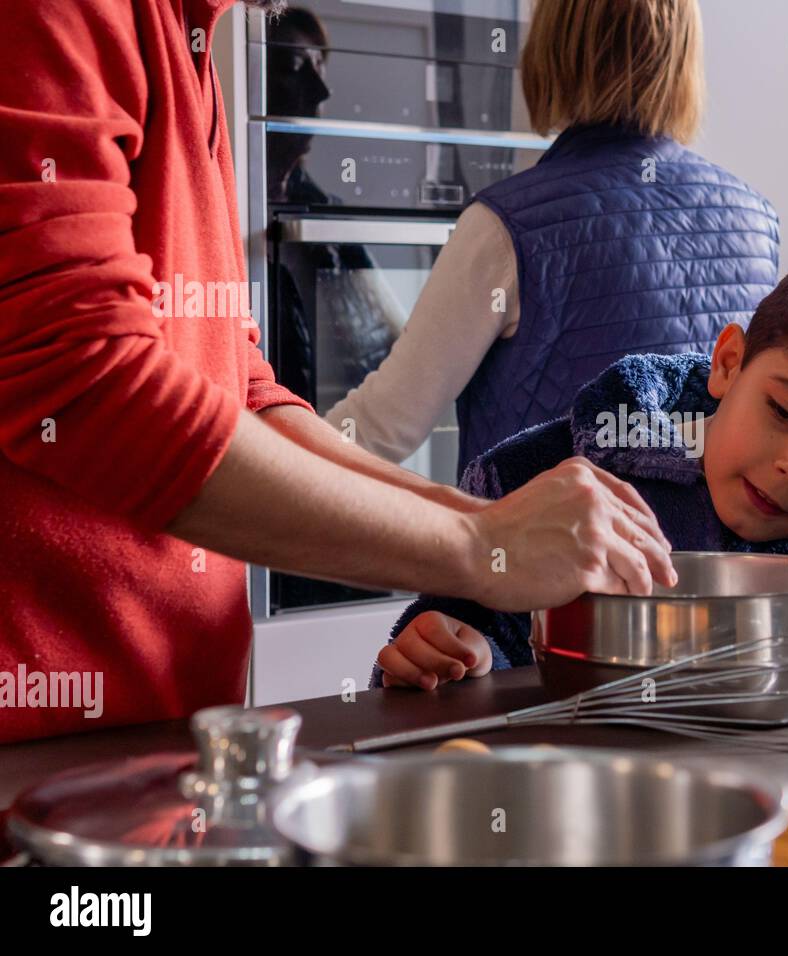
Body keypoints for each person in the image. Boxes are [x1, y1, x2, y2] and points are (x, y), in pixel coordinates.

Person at [0, 0, 672, 744]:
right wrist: (478, 549)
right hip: (37, 741)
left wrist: (483, 527)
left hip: (162, 724)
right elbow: (84, 378)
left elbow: (237, 380)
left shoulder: (193, 40)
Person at [372, 228, 788, 690]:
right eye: (785, 413)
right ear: (729, 363)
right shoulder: (545, 478)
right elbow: (465, 630)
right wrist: (456, 650)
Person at [325, 0, 783, 480]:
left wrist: (253, 450)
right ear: (684, 56)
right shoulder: (756, 219)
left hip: (545, 552)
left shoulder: (505, 223)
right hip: (691, 556)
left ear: (553, 49)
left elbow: (380, 429)